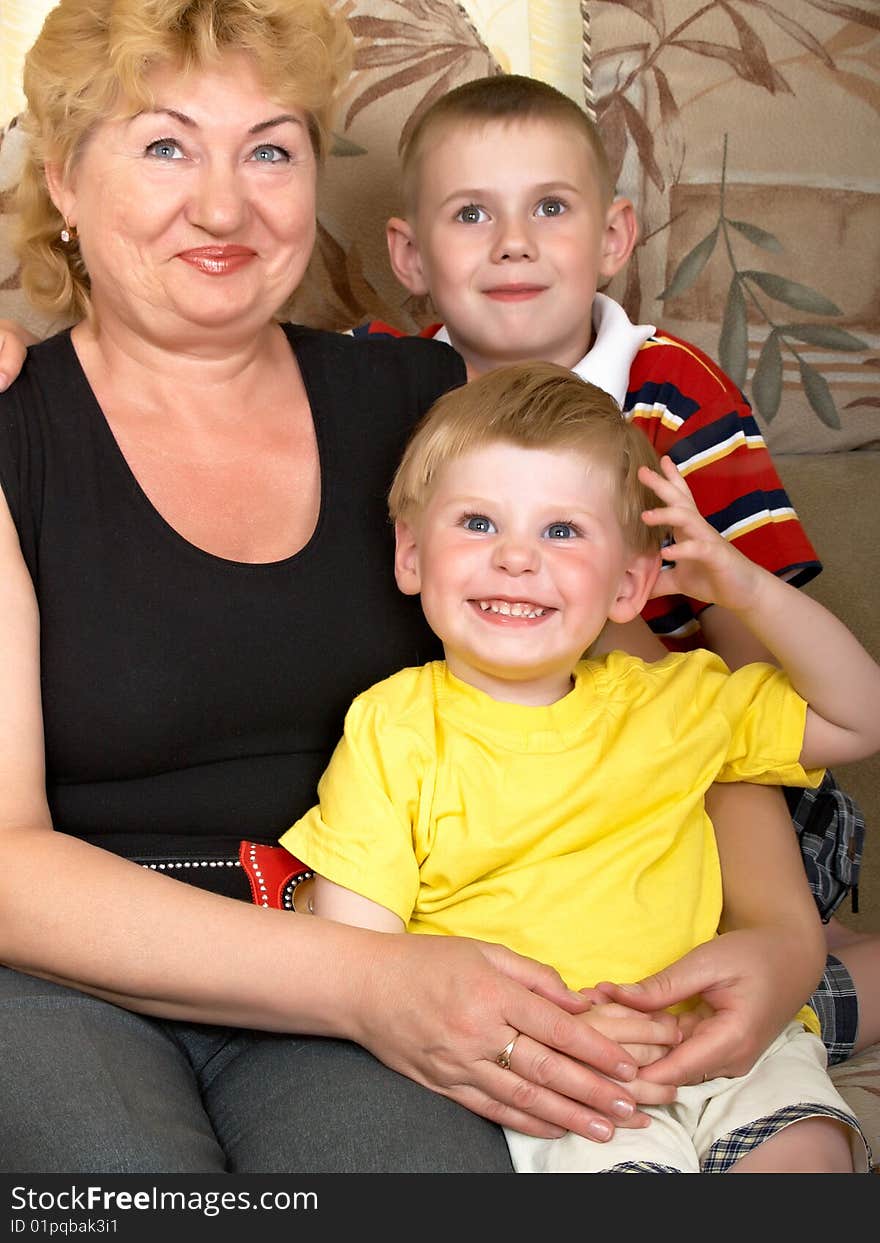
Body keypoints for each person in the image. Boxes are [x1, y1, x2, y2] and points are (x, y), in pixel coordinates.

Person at [0, 0, 696, 1175]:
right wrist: (375, 982)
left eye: (270, 148)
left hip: (380, 938)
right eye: (165, 144)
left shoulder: (418, 397)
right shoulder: (14, 433)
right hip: (65, 979)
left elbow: (650, 702)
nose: (224, 206)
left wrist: (785, 940)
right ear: (64, 178)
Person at [351, 72, 878, 1065]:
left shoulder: (670, 389)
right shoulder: (378, 378)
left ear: (613, 237)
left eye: (550, 207)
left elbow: (745, 652)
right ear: (409, 254)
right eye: (472, 213)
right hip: (493, 758)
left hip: (703, 752)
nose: (514, 241)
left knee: (738, 949)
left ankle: (810, 992)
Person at [281, 362, 875, 1172]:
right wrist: (519, 1039)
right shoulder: (393, 727)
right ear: (412, 555)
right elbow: (366, 963)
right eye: (479, 523)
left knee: (805, 1158)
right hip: (554, 1078)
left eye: (561, 531)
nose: (518, 558)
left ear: (630, 582)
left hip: (722, 1043)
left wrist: (744, 588)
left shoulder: (676, 700)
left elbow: (858, 715)